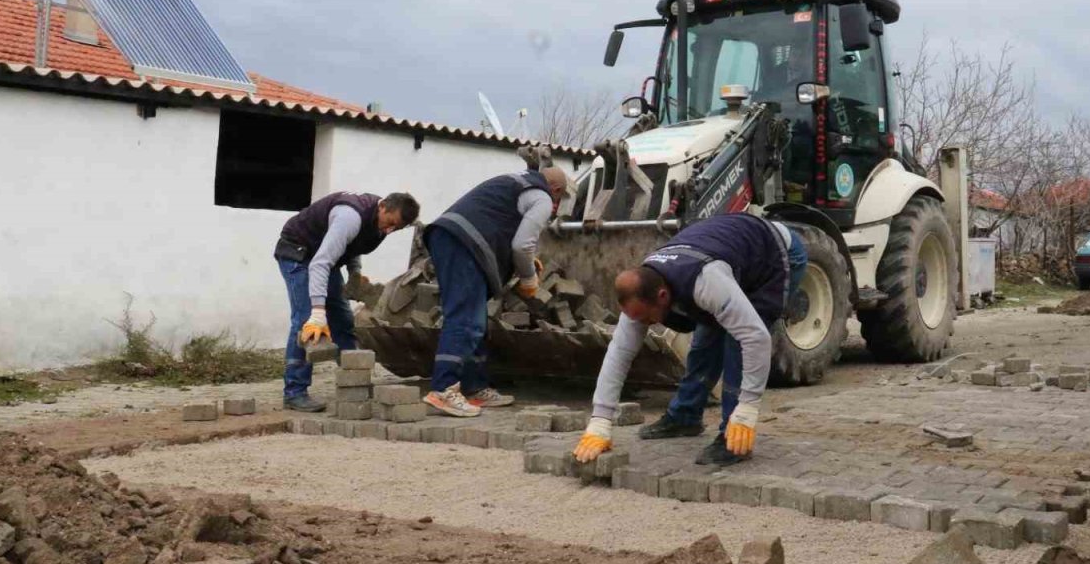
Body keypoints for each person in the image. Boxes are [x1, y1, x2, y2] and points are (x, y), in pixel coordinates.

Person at [573, 213, 807, 465]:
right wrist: (600, 421)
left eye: (645, 318)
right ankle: (684, 417)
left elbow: (755, 338)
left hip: (776, 255)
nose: (642, 324)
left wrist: (748, 407)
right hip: (729, 256)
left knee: (736, 342)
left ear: (662, 296)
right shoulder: (642, 289)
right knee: (705, 340)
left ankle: (734, 433)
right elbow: (619, 352)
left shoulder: (705, 282)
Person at [422, 167, 569, 417]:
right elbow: (522, 245)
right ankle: (443, 389)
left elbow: (500, 226)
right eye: (558, 199)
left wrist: (527, 261)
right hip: (463, 244)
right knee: (465, 318)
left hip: (451, 237)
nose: (554, 205)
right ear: (555, 191)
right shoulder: (542, 197)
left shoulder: (515, 183)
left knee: (476, 319)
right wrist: (528, 278)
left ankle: (474, 386)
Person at [277, 191, 420, 412]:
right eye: (390, 223)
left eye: (397, 228)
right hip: (299, 252)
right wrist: (318, 311)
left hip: (324, 258)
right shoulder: (349, 216)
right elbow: (320, 264)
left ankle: (355, 384)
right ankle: (294, 393)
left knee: (343, 320)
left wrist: (355, 273)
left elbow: (354, 244)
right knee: (306, 320)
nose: (390, 230)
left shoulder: (380, 223)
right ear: (383, 207)